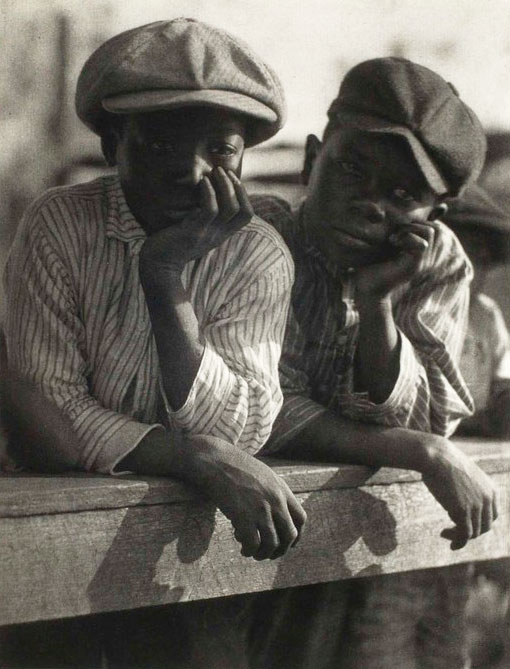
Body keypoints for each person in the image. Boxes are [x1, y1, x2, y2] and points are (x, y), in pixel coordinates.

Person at [2, 18, 306, 668]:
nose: (190, 172)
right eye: (160, 143)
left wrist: (167, 283)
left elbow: (244, 432)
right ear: (113, 145)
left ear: (245, 154)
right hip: (51, 543)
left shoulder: (259, 255)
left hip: (193, 551)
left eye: (220, 150)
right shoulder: (59, 224)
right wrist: (194, 455)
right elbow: (46, 417)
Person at [250, 58, 498, 669]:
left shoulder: (438, 262)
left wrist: (377, 302)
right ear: (313, 159)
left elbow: (431, 413)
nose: (369, 206)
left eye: (403, 196)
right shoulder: (255, 235)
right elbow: (263, 410)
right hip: (240, 539)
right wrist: (422, 454)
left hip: (361, 541)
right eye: (351, 170)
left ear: (434, 217)